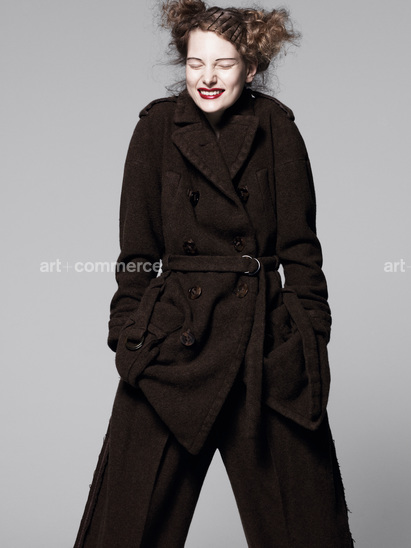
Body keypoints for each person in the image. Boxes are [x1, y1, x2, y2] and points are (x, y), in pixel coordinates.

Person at [74, 1, 354, 546]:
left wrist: (307, 340)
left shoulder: (277, 128)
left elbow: (302, 252)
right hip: (171, 344)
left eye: (224, 64)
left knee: (307, 527)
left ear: (251, 67)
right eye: (195, 62)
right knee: (127, 528)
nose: (207, 77)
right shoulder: (156, 128)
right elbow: (137, 253)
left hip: (264, 346)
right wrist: (128, 336)